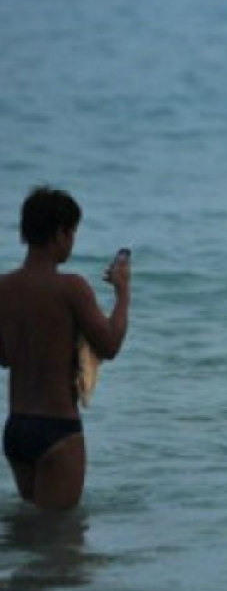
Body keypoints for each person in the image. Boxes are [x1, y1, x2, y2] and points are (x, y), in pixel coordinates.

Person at [0, 186, 131, 509]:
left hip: (16, 429)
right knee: (60, 545)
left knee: (31, 537)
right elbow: (110, 344)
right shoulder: (71, 288)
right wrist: (123, 293)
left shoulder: (3, 288)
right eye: (72, 233)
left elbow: (3, 357)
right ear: (59, 233)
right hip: (57, 430)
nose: (72, 242)